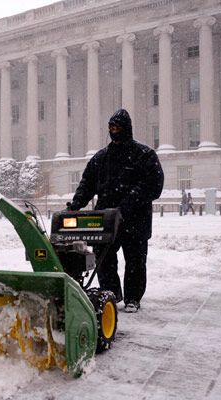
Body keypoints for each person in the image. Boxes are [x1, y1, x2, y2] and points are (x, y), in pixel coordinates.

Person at [67, 109, 164, 313]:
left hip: (135, 220)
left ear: (127, 129)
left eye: (117, 127)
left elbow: (153, 186)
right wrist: (75, 205)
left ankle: (132, 298)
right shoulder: (101, 158)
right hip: (105, 220)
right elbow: (87, 185)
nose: (114, 131)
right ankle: (111, 294)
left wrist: (127, 205)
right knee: (104, 260)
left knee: (135, 261)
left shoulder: (144, 155)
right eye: (111, 127)